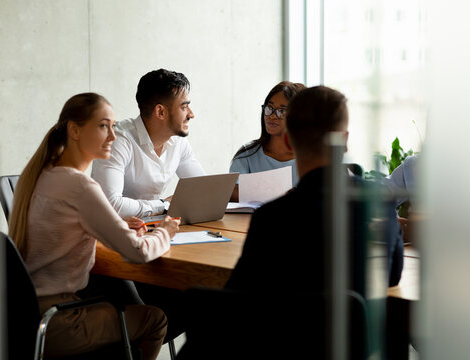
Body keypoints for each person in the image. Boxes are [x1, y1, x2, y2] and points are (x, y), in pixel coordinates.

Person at [8, 92, 180, 359]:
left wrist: (113, 224)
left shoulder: (42, 176)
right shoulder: (80, 185)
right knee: (154, 319)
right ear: (74, 130)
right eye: (103, 126)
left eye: (113, 126)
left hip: (27, 318)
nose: (112, 136)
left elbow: (61, 229)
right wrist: (165, 231)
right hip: (63, 321)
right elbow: (138, 252)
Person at [226, 85, 404, 293]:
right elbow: (392, 277)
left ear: (287, 141)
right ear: (345, 141)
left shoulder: (271, 218)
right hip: (354, 325)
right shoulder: (379, 202)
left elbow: (237, 296)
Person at [92, 68, 205, 218]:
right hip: (113, 234)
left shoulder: (178, 141)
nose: (191, 114)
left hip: (151, 227)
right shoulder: (118, 140)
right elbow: (109, 205)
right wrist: (163, 205)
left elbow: (203, 190)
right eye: (184, 107)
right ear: (160, 112)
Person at [229, 81, 305, 201]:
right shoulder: (247, 153)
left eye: (282, 111)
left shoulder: (310, 157)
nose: (272, 116)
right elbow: (230, 192)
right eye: (270, 108)